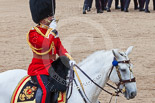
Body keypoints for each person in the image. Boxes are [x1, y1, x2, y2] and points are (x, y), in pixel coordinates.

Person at [28, 0, 75, 103]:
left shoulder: (51, 32)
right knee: (47, 90)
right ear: (42, 19)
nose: (52, 18)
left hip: (53, 67)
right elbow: (45, 46)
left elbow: (59, 48)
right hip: (39, 69)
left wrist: (69, 59)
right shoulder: (33, 33)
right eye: (49, 16)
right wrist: (52, 32)